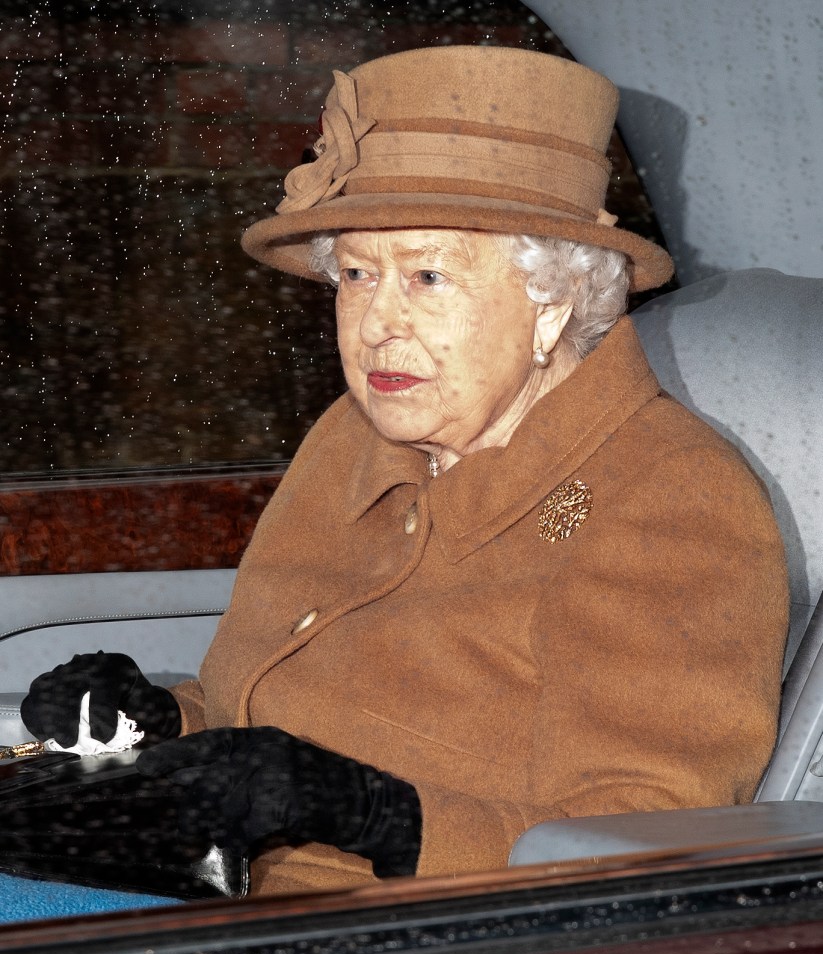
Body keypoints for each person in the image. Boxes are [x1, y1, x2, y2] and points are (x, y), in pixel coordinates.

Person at [22, 45, 789, 897]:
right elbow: (271, 717)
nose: (378, 323)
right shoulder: (353, 438)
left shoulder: (670, 497)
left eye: (426, 276)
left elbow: (633, 853)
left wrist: (370, 813)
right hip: (190, 880)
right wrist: (161, 720)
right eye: (355, 274)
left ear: (553, 300)